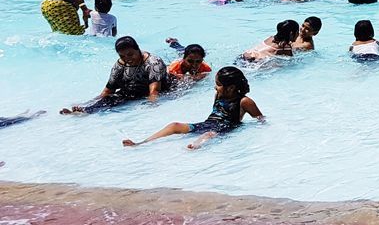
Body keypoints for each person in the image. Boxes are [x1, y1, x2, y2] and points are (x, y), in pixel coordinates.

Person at [123, 66, 263, 150]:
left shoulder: (245, 101)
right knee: (174, 125)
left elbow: (261, 119)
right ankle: (141, 143)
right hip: (207, 124)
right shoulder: (218, 95)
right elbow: (214, 115)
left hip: (224, 128)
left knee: (209, 135)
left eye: (218, 84)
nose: (215, 87)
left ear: (231, 87)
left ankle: (195, 146)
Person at [60, 36, 168, 114]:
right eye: (123, 56)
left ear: (138, 48)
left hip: (150, 90)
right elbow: (107, 90)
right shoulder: (119, 65)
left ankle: (86, 111)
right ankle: (85, 108)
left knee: (113, 102)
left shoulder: (153, 63)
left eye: (130, 54)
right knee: (108, 99)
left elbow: (154, 92)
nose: (127, 59)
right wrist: (89, 102)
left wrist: (151, 110)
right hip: (131, 92)